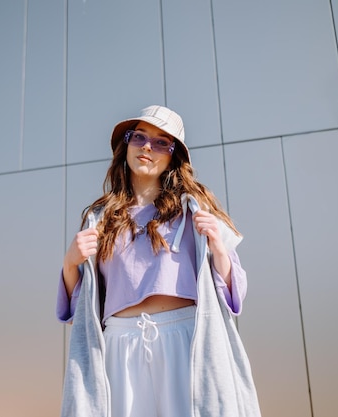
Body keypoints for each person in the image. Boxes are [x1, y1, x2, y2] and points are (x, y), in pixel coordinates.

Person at [56, 105, 261, 417]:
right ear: (126, 145)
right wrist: (71, 262)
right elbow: (78, 308)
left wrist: (219, 248)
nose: (147, 147)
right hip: (119, 345)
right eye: (139, 137)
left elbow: (234, 295)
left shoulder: (193, 209)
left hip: (184, 338)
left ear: (173, 156)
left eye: (161, 142)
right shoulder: (99, 218)